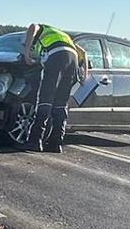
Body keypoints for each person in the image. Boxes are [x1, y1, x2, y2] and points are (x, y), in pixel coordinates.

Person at [19, 23, 85, 152]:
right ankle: (56, 144)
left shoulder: (40, 29)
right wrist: (84, 75)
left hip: (56, 56)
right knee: (61, 103)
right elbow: (83, 52)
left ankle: (34, 141)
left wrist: (26, 54)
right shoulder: (61, 36)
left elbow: (33, 26)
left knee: (45, 99)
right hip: (72, 58)